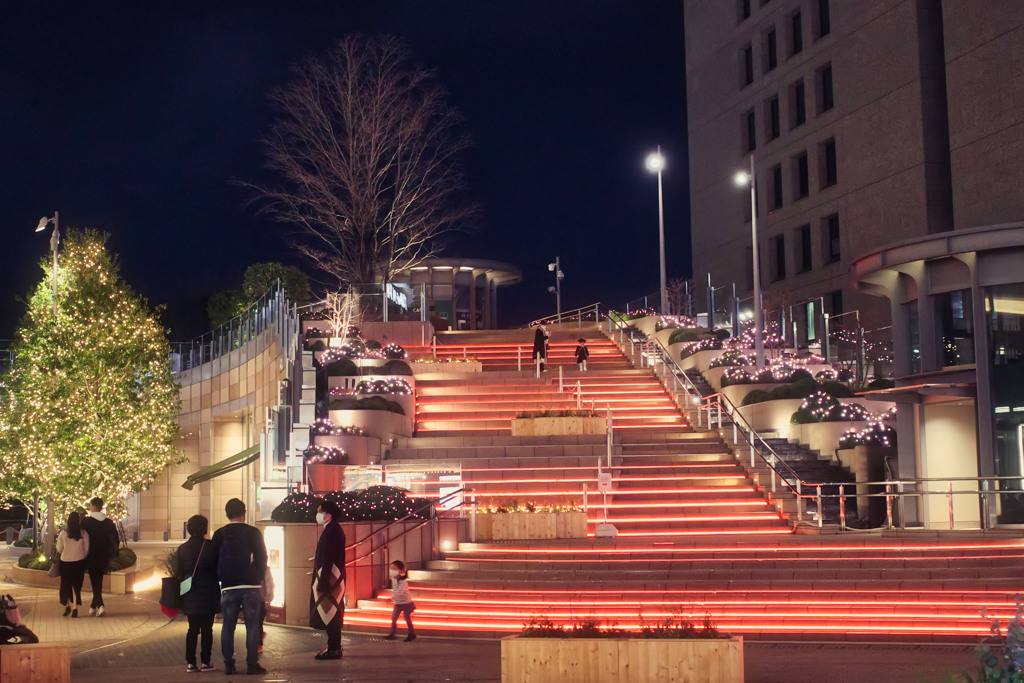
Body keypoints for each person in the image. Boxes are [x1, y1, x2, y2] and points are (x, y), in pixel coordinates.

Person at [212, 498, 267, 676]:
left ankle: (229, 664)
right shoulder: (253, 533)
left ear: (227, 514)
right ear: (244, 513)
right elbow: (262, 557)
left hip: (228, 586)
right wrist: (258, 577)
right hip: (251, 585)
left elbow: (214, 560)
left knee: (228, 626)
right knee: (252, 626)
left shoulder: (219, 534)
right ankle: (252, 664)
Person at [175, 514, 220, 673]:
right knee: (207, 629)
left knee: (192, 629)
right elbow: (218, 568)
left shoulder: (182, 549)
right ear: (204, 529)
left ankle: (190, 663)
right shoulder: (211, 546)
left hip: (190, 593)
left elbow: (178, 573)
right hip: (209, 592)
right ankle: (206, 663)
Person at [310, 500, 346, 661]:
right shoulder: (333, 530)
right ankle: (334, 647)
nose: (317, 514)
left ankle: (334, 648)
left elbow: (328, 558)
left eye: (320, 511)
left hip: (330, 580)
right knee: (330, 614)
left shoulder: (332, 532)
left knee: (331, 614)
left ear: (328, 515)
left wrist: (323, 581)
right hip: (332, 578)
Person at [80, 497, 118, 617]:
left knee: (94, 580)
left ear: (93, 507)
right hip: (104, 555)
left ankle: (100, 605)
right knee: (98, 580)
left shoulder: (86, 522)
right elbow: (116, 540)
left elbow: (81, 538)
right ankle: (93, 605)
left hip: (91, 555)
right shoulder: (109, 523)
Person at [56, 511, 90, 618]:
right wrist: (80, 556)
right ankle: (75, 608)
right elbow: (86, 550)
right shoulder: (83, 534)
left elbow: (59, 549)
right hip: (79, 563)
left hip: (65, 563)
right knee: (76, 586)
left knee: (65, 585)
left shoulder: (63, 534)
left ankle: (67, 606)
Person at [384, 560, 415, 642]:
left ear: (401, 570)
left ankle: (411, 634)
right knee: (394, 618)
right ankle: (392, 634)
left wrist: (392, 599)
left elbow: (399, 592)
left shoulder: (403, 582)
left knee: (407, 618)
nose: (391, 570)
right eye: (391, 568)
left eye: (394, 568)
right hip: (398, 603)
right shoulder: (394, 579)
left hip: (406, 603)